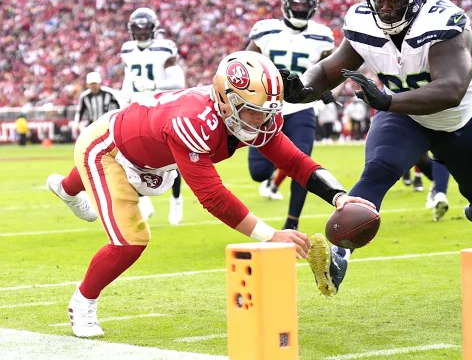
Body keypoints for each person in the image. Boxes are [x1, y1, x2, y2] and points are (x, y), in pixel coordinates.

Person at [45, 51, 373, 337]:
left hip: (151, 153)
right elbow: (212, 197)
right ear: (226, 101)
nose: (262, 119)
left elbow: (295, 162)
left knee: (149, 183)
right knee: (131, 239)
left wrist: (339, 196)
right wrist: (271, 235)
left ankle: (66, 188)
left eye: (267, 111)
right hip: (108, 149)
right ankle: (82, 302)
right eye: (253, 110)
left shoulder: (250, 115)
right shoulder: (194, 122)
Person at [282, 0, 472, 296]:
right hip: (404, 115)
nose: (385, 7)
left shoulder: (443, 22)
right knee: (378, 169)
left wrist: (388, 100)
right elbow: (326, 71)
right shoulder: (363, 22)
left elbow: (452, 88)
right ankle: (339, 255)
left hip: (458, 122)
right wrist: (303, 87)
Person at [245, 0, 337, 231]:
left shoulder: (322, 36)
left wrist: (327, 90)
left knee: (302, 163)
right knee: (259, 172)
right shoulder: (266, 30)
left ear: (313, 6)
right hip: (266, 108)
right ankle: (278, 163)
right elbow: (244, 61)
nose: (299, 8)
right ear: (285, 4)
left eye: (304, 4)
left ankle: (292, 224)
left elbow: (332, 71)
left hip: (302, 107)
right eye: (295, 4)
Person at [120, 8, 186, 225]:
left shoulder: (164, 48)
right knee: (130, 156)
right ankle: (144, 202)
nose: (141, 33)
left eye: (145, 28)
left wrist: (153, 84)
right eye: (137, 29)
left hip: (161, 108)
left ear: (153, 29)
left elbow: (179, 82)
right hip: (137, 109)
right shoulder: (127, 49)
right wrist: (124, 95)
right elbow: (128, 76)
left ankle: (176, 199)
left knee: (171, 158)